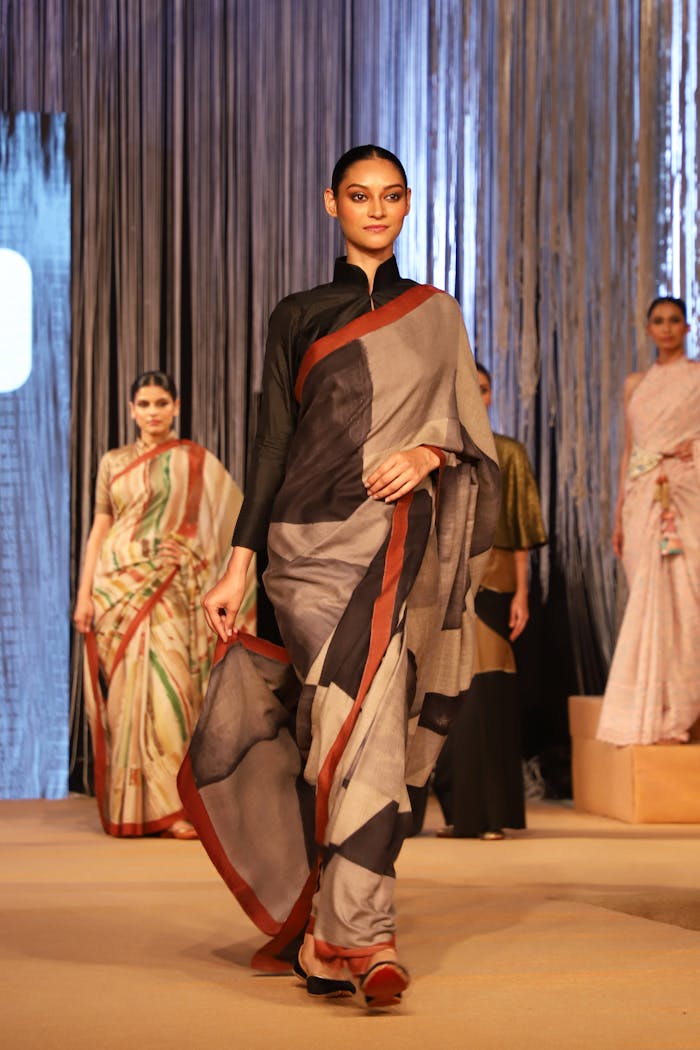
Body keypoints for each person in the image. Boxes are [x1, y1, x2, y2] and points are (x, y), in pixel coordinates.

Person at [178, 145, 500, 1008]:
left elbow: (473, 435)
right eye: (360, 196)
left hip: (397, 540)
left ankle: (348, 935)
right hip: (305, 549)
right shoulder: (297, 314)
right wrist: (238, 563)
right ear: (331, 204)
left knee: (368, 726)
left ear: (405, 206)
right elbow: (273, 443)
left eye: (392, 197)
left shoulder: (437, 314)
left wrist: (430, 450)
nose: (377, 210)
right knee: (344, 730)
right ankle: (347, 932)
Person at [74, 371, 255, 838]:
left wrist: (195, 556)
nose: (152, 412)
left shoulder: (194, 461)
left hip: (174, 589)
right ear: (132, 410)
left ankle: (173, 808)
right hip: (115, 592)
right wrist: (84, 595)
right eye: (143, 404)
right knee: (125, 702)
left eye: (160, 403)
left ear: (176, 407)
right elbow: (100, 529)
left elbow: (231, 519)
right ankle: (129, 804)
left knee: (172, 694)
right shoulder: (112, 463)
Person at [432, 363, 547, 839]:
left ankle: (488, 815)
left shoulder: (509, 453)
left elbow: (520, 528)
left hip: (495, 582)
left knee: (486, 696)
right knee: (450, 697)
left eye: (481, 390)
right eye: (466, 391)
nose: (474, 398)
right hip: (445, 581)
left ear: (492, 395)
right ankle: (463, 813)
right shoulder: (437, 453)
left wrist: (521, 592)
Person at [597, 296, 700, 745]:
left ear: (686, 326)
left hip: (685, 493)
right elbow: (628, 451)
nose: (666, 328)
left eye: (674, 320)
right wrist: (619, 513)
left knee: (686, 602)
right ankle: (651, 708)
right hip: (642, 497)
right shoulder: (635, 383)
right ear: (648, 329)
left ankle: (682, 711)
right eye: (658, 321)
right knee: (647, 595)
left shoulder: (697, 378)